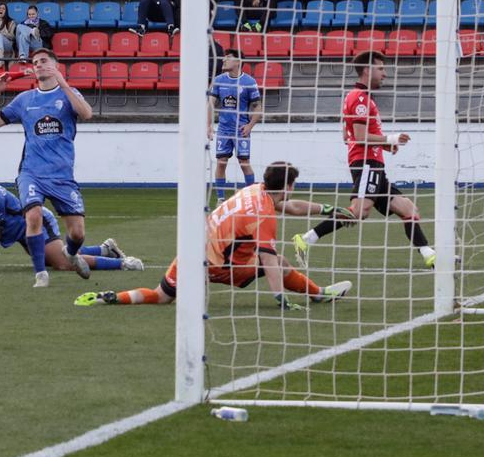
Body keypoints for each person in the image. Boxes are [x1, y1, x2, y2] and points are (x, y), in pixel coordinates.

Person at [75, 162, 351, 309]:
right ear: (288, 185)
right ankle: (318, 294)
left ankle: (110, 297)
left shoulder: (255, 190)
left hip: (192, 251)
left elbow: (291, 206)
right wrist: (280, 298)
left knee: (161, 296)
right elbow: (268, 261)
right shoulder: (263, 213)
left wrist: (326, 208)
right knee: (279, 262)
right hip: (220, 266)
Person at [292, 52, 436, 269]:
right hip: (367, 164)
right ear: (367, 70)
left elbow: (347, 136)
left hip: (373, 164)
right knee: (358, 212)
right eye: (381, 69)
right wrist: (390, 138)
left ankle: (429, 256)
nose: (385, 74)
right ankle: (307, 238)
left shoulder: (357, 97)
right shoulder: (359, 98)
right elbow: (358, 137)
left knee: (409, 210)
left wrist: (385, 145)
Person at [0, 47, 94, 288]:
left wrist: (63, 83)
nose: (38, 65)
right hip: (31, 173)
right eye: (35, 62)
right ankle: (41, 274)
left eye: (44, 61)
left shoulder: (69, 94)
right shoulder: (25, 99)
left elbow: (87, 113)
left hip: (62, 175)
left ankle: (71, 253)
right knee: (33, 216)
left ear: (55, 65)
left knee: (77, 234)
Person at [0, 167, 143, 276]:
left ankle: (124, 263)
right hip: (20, 232)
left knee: (64, 263)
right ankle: (105, 249)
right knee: (53, 258)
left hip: (36, 222)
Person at [209, 49, 263, 202]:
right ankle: (220, 199)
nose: (224, 60)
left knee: (244, 163)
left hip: (241, 129)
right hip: (224, 130)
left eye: (228, 58)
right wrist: (209, 125)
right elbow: (211, 103)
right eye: (224, 58)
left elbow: (257, 106)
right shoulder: (219, 80)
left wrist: (250, 126)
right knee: (221, 162)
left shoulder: (249, 82)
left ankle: (252, 199)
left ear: (238, 62)